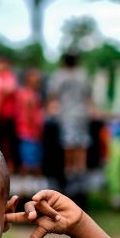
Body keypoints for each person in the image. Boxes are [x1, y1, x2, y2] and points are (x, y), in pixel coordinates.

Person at [47, 51, 94, 198]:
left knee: (69, 144)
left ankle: (69, 173)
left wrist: (51, 109)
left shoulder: (59, 75)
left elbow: (52, 96)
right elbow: (89, 97)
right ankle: (80, 172)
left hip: (67, 115)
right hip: (82, 114)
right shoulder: (83, 75)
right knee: (81, 144)